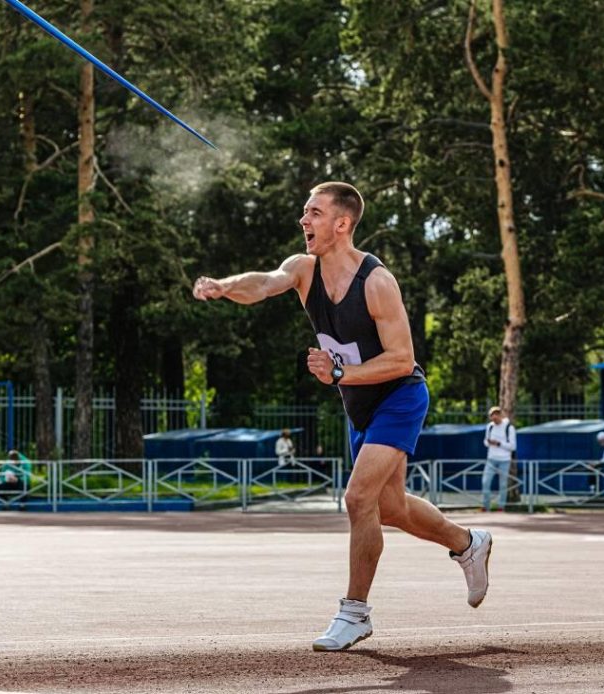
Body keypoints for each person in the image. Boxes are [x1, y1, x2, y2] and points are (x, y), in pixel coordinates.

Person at [192, 181, 491, 652]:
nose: (304, 221)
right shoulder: (303, 269)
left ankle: (354, 612)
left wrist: (338, 371)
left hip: (399, 396)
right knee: (390, 507)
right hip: (359, 402)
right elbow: (264, 284)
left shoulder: (376, 282)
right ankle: (467, 542)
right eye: (304, 212)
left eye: (313, 212)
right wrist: (222, 286)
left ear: (342, 223)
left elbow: (401, 358)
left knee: (358, 499)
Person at [481, 406, 516, 512]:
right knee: (485, 482)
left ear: (500, 415)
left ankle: (501, 506)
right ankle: (485, 506)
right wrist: (489, 442)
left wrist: (499, 443)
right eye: (492, 416)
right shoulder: (490, 427)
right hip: (491, 458)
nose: (494, 417)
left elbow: (513, 446)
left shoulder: (509, 427)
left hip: (504, 459)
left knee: (503, 484)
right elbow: (485, 442)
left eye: (496, 415)